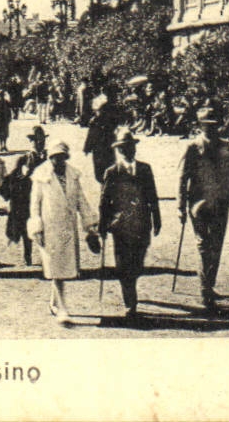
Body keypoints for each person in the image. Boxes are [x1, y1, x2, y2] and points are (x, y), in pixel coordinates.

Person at [29, 140, 99, 319]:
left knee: (60, 269)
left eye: (61, 158)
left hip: (68, 227)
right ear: (49, 158)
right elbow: (34, 204)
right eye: (54, 158)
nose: (58, 162)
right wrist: (36, 226)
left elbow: (80, 201)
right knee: (56, 268)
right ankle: (62, 308)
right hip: (49, 228)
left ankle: (54, 303)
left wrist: (90, 225)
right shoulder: (41, 176)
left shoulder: (73, 175)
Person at [179, 108, 229, 312]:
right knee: (204, 246)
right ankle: (205, 290)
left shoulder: (226, 146)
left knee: (217, 246)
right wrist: (180, 205)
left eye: (215, 124)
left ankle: (209, 285)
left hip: (221, 203)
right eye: (207, 124)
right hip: (199, 204)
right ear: (200, 125)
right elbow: (183, 177)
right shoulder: (194, 147)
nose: (212, 128)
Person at [98, 128, 161, 321]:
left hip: (142, 225)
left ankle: (130, 290)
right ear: (118, 150)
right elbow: (104, 201)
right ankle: (130, 304)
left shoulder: (145, 169)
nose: (127, 151)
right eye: (123, 148)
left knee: (137, 264)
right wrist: (103, 225)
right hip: (121, 227)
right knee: (124, 266)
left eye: (130, 147)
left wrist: (157, 219)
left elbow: (152, 196)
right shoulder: (112, 172)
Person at [1, 154, 37, 265]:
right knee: (18, 232)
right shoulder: (12, 176)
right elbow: (4, 191)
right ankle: (23, 253)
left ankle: (28, 256)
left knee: (28, 235)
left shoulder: (34, 176)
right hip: (16, 210)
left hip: (28, 210)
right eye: (27, 163)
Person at [83, 94, 121, 186]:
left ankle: (106, 185)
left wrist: (87, 148)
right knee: (103, 168)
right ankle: (105, 184)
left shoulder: (100, 121)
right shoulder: (97, 121)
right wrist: (87, 147)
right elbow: (91, 135)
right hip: (102, 149)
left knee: (105, 168)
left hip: (103, 149)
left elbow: (91, 135)